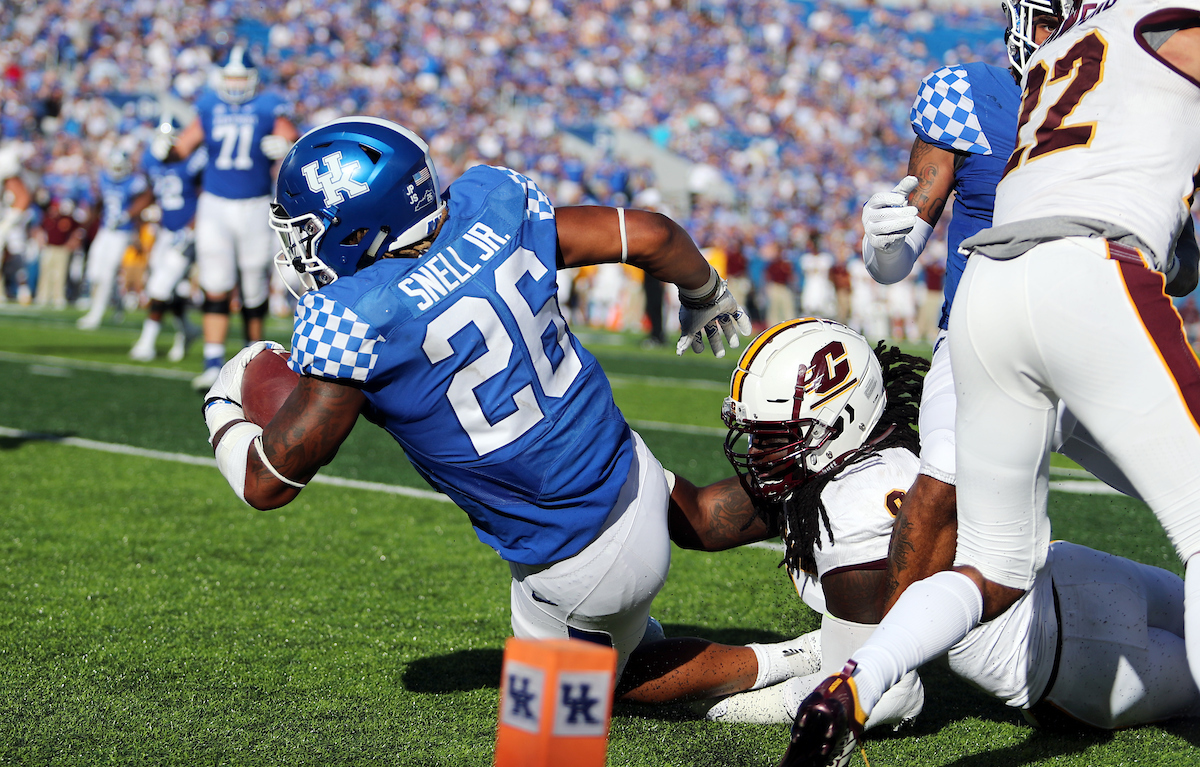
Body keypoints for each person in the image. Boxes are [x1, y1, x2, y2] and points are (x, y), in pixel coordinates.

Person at [200, 116, 756, 683]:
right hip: (623, 467)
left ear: (357, 225)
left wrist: (223, 403)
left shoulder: (356, 318)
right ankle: (833, 491)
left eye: (308, 230)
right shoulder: (492, 207)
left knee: (584, 700)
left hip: (570, 552)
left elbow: (266, 482)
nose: (299, 248)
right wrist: (704, 292)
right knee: (701, 521)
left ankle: (809, 665)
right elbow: (655, 235)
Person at [787, 4, 1200, 765]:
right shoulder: (997, 84)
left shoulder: (1051, 74)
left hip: (998, 302)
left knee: (992, 561)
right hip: (1080, 292)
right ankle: (891, 668)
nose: (1046, 32)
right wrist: (885, 241)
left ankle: (859, 678)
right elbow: (899, 247)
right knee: (944, 480)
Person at [665, 319, 1197, 738]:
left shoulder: (848, 513)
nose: (759, 454)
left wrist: (754, 701)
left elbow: (893, 698)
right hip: (1077, 572)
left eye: (774, 437)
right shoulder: (885, 441)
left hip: (1061, 667)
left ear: (839, 423)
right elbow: (705, 520)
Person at [152, 45, 299, 389]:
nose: (234, 84)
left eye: (240, 77)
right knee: (215, 281)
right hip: (216, 204)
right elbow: (182, 148)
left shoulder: (267, 105)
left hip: (255, 203)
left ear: (252, 79)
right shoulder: (208, 105)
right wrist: (165, 150)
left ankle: (255, 358)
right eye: (229, 77)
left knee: (253, 281)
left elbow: (292, 136)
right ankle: (213, 360)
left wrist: (286, 146)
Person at [129, 114, 205, 362]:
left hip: (188, 232)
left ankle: (146, 344)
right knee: (171, 289)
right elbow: (153, 191)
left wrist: (192, 228)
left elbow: (208, 197)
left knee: (160, 286)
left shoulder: (193, 162)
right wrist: (130, 212)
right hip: (165, 232)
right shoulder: (156, 164)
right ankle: (188, 330)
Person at [76, 146, 147, 330]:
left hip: (123, 232)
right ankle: (119, 303)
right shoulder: (103, 178)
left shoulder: (134, 182)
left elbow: (143, 204)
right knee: (94, 272)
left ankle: (96, 314)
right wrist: (85, 226)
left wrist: (135, 228)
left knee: (108, 272)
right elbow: (98, 204)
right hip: (105, 229)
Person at [0, 142, 32, 302]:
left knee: (15, 251)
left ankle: (22, 289)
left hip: (8, 216)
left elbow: (23, 197)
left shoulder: (5, 161)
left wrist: (8, 222)